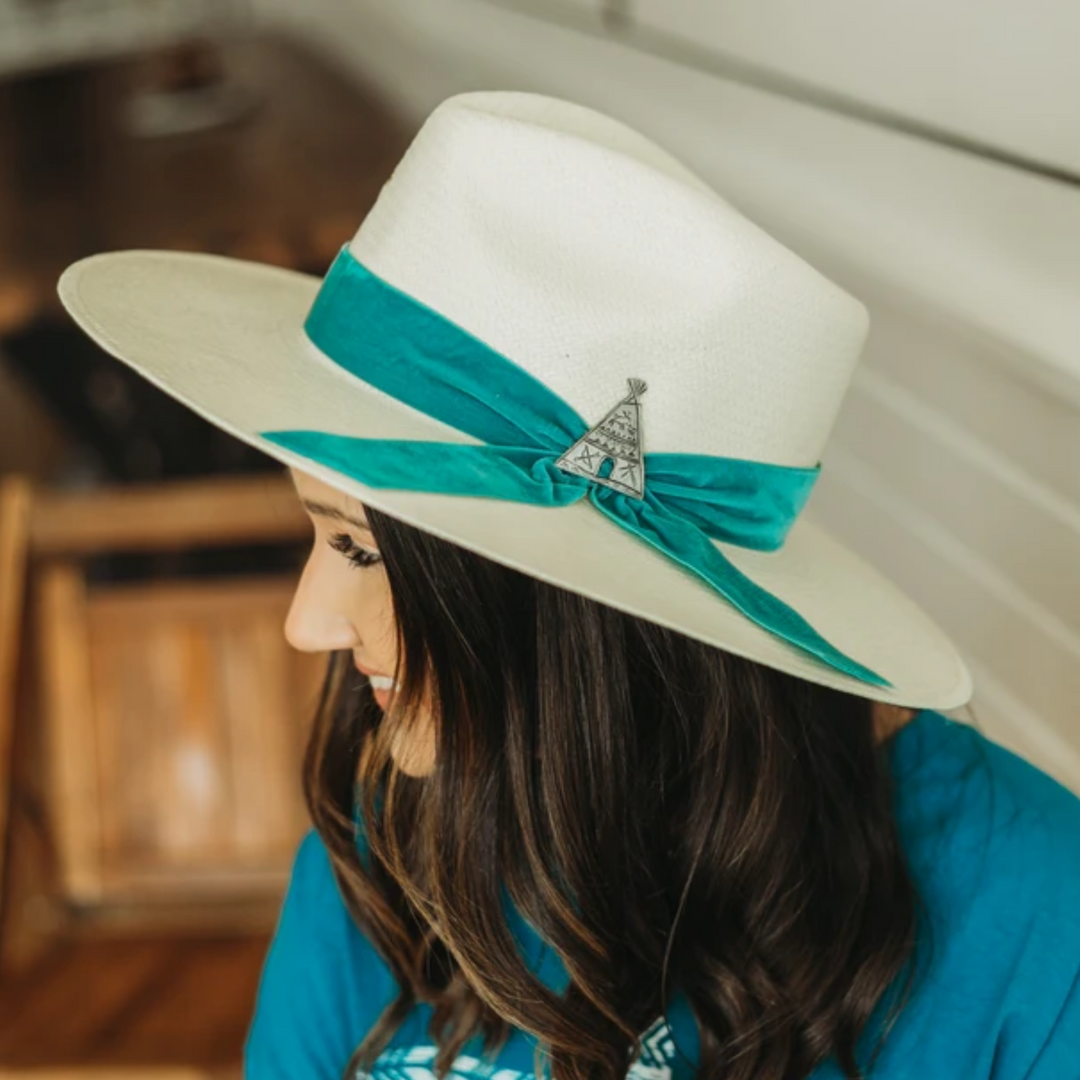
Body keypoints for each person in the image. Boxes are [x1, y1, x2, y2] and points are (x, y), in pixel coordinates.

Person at [57, 91, 1080, 1080]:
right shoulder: (383, 856)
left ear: (561, 601)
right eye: (318, 538)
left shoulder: (1033, 918)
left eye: (360, 550)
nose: (305, 623)